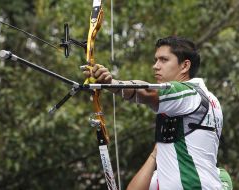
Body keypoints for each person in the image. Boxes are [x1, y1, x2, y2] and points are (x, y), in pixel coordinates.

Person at [84, 36, 223, 189]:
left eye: (164, 60)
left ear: (185, 66)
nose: (155, 66)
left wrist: (111, 84)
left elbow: (147, 92)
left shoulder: (190, 93)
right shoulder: (208, 99)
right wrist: (154, 154)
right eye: (156, 60)